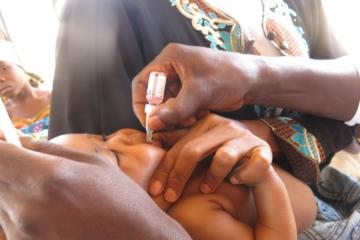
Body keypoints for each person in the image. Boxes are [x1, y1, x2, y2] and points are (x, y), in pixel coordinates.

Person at [48, 114, 315, 240]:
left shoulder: (182, 160)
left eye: (104, 136)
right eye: (117, 157)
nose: (122, 136)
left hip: (325, 187)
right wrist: (265, 178)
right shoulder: (194, 216)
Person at [0, 40, 51, 140]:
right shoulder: (3, 118)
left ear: (20, 67)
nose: (0, 78)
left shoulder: (60, 99)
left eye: (3, 69)